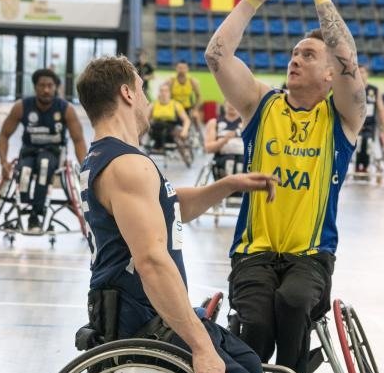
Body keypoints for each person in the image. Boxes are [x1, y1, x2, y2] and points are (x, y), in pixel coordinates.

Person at [204, 0, 365, 373]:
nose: (295, 59)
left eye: (308, 55)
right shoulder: (262, 104)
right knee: (255, 322)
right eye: (294, 53)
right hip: (253, 251)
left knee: (293, 302)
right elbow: (216, 56)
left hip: (310, 256)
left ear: (330, 75)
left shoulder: (343, 117)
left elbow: (349, 59)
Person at [75, 55, 277, 373]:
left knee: (250, 362)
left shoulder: (107, 156)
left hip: (142, 309)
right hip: (143, 317)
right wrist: (200, 347)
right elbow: (152, 262)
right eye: (143, 91)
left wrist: (227, 185)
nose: (147, 101)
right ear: (127, 94)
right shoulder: (128, 166)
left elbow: (167, 208)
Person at [0, 68, 87, 232]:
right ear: (35, 87)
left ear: (56, 88)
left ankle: (36, 215)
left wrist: (85, 169)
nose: (46, 89)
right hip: (29, 151)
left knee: (44, 165)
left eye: (50, 85)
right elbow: (3, 135)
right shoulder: (22, 107)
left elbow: (79, 140)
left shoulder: (65, 109)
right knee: (24, 171)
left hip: (53, 153)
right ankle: (25, 207)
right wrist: (3, 161)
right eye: (42, 85)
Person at [354, 65, 384, 173]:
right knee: (358, 143)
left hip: (370, 124)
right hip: (355, 124)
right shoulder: (351, 90)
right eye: (358, 72)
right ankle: (357, 166)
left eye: (363, 72)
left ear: (367, 74)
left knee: (367, 142)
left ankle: (365, 166)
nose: (360, 74)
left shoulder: (374, 90)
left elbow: (382, 110)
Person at [204, 101, 245, 180]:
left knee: (241, 161)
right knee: (229, 160)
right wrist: (225, 140)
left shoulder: (246, 122)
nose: (231, 105)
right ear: (224, 104)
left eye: (234, 101)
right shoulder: (214, 123)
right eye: (229, 101)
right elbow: (208, 148)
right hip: (222, 161)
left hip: (242, 160)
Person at [148, 83, 190, 150]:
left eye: (166, 91)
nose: (164, 93)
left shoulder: (175, 105)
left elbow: (186, 120)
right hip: (156, 129)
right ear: (159, 92)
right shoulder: (153, 105)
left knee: (173, 130)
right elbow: (145, 120)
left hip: (170, 129)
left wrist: (184, 131)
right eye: (161, 91)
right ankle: (158, 146)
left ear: (169, 93)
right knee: (155, 127)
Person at [166, 61, 202, 126]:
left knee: (196, 116)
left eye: (184, 68)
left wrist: (195, 109)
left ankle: (198, 134)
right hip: (174, 108)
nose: (182, 70)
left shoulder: (192, 81)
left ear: (187, 69)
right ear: (176, 68)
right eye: (180, 68)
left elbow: (199, 97)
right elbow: (165, 95)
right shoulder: (171, 80)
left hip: (187, 108)